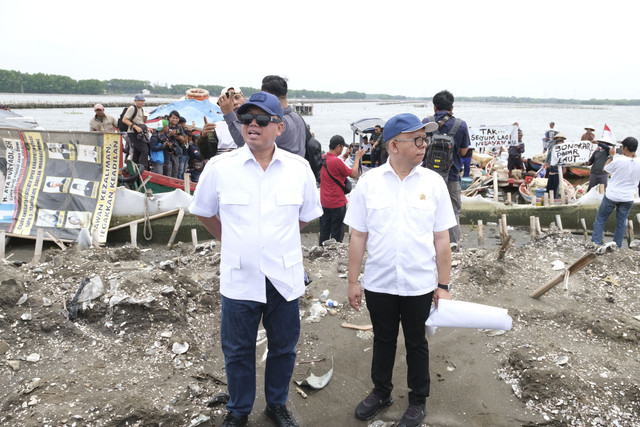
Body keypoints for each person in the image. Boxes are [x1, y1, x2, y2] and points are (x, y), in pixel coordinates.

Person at [189, 91, 322, 427]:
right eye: (246, 119)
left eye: (262, 120)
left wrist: (274, 238)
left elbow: (306, 216)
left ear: (278, 127)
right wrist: (232, 240)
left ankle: (276, 404)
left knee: (283, 348)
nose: (252, 125)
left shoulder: (299, 169)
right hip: (239, 276)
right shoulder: (221, 167)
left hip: (284, 277)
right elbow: (204, 212)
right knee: (237, 350)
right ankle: (239, 409)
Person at [345, 113, 455, 427]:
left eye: (426, 139)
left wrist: (443, 285)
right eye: (417, 139)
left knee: (417, 342)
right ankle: (381, 392)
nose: (424, 145)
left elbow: (442, 238)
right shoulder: (369, 183)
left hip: (419, 283)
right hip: (379, 282)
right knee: (383, 339)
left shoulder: (433, 183)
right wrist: (353, 281)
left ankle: (418, 400)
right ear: (394, 145)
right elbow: (358, 236)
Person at [422, 90, 470, 250]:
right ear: (452, 107)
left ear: (434, 107)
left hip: (428, 176)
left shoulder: (426, 122)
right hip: (452, 176)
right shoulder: (461, 125)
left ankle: (427, 244)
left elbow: (419, 147)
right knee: (454, 211)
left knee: (426, 209)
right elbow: (464, 152)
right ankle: (453, 245)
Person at [592, 137, 640, 248]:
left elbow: (605, 170)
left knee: (600, 219)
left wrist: (610, 156)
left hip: (612, 196)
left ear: (626, 148)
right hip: (628, 198)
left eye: (622, 147)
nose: (620, 149)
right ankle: (617, 246)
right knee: (621, 223)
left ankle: (596, 243)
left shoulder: (619, 160)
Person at [318, 135, 364, 245]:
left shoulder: (323, 157)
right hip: (337, 203)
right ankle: (334, 254)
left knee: (324, 230)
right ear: (338, 146)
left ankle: (321, 250)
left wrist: (344, 156)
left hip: (324, 201)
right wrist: (357, 158)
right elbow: (353, 174)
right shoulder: (337, 162)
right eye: (342, 147)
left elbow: (334, 166)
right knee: (337, 232)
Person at [261, 75, 306, 157]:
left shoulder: (279, 122)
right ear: (285, 94)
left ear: (268, 97)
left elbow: (255, 146)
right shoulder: (298, 117)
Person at [121, 94, 149, 170]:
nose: (140, 102)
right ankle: (144, 168)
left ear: (144, 102)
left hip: (139, 132)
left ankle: (134, 167)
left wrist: (147, 128)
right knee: (144, 149)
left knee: (137, 150)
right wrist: (135, 127)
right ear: (135, 101)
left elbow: (140, 122)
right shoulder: (132, 108)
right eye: (138, 100)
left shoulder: (142, 109)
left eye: (142, 101)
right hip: (133, 132)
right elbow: (124, 120)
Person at [164, 110, 185, 178]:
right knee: (168, 169)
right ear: (169, 118)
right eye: (173, 118)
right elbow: (161, 136)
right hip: (167, 151)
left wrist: (178, 137)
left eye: (176, 118)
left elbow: (183, 139)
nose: (175, 119)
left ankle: (173, 185)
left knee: (175, 170)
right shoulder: (166, 125)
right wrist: (169, 134)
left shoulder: (179, 127)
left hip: (176, 151)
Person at [544, 133, 566, 198]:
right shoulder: (552, 148)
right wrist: (547, 163)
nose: (559, 144)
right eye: (558, 143)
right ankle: (548, 196)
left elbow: (565, 159)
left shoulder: (565, 150)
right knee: (550, 183)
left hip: (559, 168)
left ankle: (554, 197)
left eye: (561, 143)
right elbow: (549, 155)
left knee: (556, 185)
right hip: (552, 167)